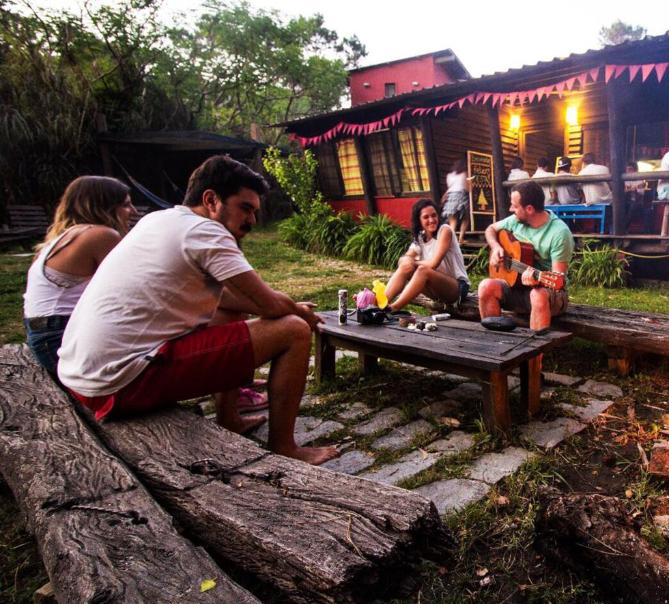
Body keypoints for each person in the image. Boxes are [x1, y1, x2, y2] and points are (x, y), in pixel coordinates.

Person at [57, 155, 339, 466]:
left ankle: (229, 418)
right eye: (245, 208)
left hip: (84, 377)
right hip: (119, 384)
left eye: (255, 212)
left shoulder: (160, 219)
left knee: (232, 316)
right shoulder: (206, 232)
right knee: (293, 331)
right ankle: (285, 446)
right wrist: (301, 315)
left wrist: (287, 306)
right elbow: (268, 304)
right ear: (211, 200)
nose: (252, 221)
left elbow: (234, 300)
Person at [23, 176, 134, 376]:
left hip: (46, 335)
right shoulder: (101, 235)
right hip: (60, 337)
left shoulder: (61, 238)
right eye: (126, 205)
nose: (133, 211)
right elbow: (132, 289)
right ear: (103, 207)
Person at [478, 181, 573, 331]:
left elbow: (557, 278)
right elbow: (490, 229)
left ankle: (534, 352)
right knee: (486, 286)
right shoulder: (516, 221)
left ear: (529, 209)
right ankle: (494, 346)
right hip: (517, 286)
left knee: (537, 295)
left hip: (549, 293)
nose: (510, 209)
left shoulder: (560, 233)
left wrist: (537, 282)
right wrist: (496, 247)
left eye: (514, 206)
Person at [383, 198, 470, 312]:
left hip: (457, 288)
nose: (432, 220)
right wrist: (406, 261)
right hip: (436, 290)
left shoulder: (445, 231)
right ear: (419, 220)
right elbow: (404, 260)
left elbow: (434, 263)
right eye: (426, 217)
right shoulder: (420, 237)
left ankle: (393, 308)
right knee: (406, 267)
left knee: (422, 270)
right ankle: (380, 303)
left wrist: (412, 262)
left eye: (434, 215)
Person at [441, 158, 471, 243]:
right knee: (465, 218)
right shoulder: (464, 174)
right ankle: (461, 238)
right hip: (461, 196)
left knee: (453, 221)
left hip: (450, 197)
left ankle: (451, 240)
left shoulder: (449, 176)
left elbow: (449, 188)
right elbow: (468, 188)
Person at [624, 162, 650, 232]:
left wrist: (633, 191)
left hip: (637, 203)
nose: (628, 171)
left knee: (633, 206)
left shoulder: (639, 180)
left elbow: (640, 195)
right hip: (626, 201)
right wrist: (628, 190)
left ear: (635, 170)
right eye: (627, 170)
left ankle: (623, 228)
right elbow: (623, 191)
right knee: (618, 206)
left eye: (630, 169)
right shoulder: (625, 179)